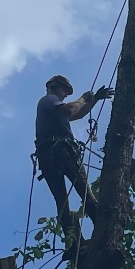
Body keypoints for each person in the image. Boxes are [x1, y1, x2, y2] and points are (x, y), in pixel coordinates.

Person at [35, 73, 111, 231]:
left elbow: (79, 113)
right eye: (64, 92)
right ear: (55, 87)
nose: (64, 97)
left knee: (62, 202)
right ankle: (103, 229)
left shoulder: (52, 109)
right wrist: (83, 98)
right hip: (61, 150)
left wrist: (95, 98)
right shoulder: (48, 100)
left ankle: (73, 241)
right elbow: (70, 109)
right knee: (85, 193)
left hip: (48, 155)